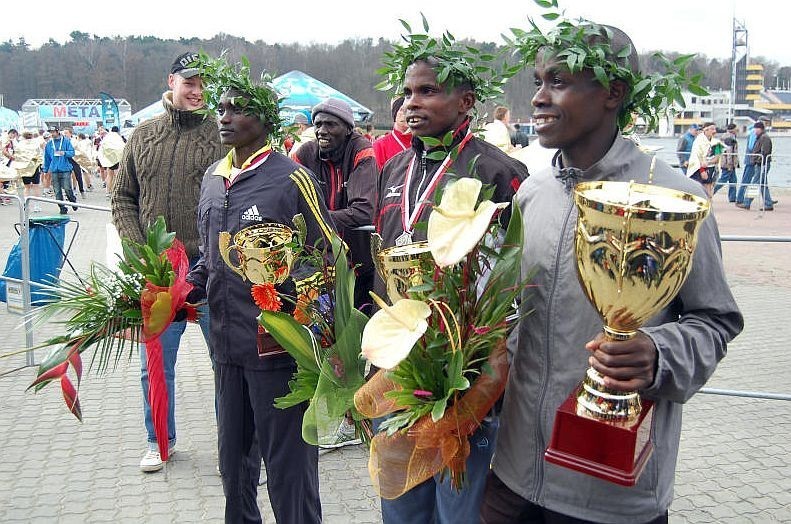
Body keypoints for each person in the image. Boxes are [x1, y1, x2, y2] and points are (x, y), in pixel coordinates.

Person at [481, 23, 743, 524]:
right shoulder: (530, 195)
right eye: (538, 80)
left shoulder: (673, 200)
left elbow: (716, 322)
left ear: (613, 93)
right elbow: (504, 314)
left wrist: (658, 355)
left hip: (608, 496)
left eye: (558, 81)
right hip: (512, 479)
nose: (538, 97)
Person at [374, 55, 528, 524]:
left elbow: (514, 277)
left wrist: (487, 363)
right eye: (408, 91)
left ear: (466, 102)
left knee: (458, 513)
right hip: (401, 374)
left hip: (468, 379)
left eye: (428, 91)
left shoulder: (499, 171)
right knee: (400, 508)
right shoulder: (395, 168)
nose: (411, 102)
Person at [187, 71, 331, 523]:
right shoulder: (213, 177)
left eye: (238, 109)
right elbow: (208, 258)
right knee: (234, 468)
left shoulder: (293, 179)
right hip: (226, 348)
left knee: (289, 473)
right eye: (221, 108)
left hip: (277, 353)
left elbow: (326, 259)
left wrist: (299, 313)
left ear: (266, 120)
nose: (224, 117)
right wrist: (177, 292)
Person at [111, 51, 224, 473]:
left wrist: (215, 256)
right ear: (172, 81)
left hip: (208, 271)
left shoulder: (220, 136)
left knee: (226, 365)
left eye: (203, 85)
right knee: (155, 366)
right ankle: (160, 440)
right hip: (158, 273)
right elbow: (122, 197)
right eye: (189, 82)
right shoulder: (143, 135)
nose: (197, 92)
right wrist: (140, 252)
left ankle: (233, 446)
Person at [292, 97, 378, 312]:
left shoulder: (361, 151)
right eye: (318, 124)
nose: (322, 130)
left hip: (356, 263)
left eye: (331, 124)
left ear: (348, 129)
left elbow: (363, 211)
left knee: (356, 333)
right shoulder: (304, 154)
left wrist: (314, 218)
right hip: (315, 263)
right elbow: (289, 203)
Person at [736, 120, 774, 210]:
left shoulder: (764, 138)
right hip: (760, 163)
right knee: (762, 184)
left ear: (761, 129)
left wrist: (757, 160)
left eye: (757, 129)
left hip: (762, 164)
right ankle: (768, 204)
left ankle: (747, 202)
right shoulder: (760, 137)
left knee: (755, 184)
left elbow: (765, 152)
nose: (755, 130)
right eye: (755, 128)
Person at [42, 126, 77, 215]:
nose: (52, 134)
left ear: (57, 132)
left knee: (67, 188)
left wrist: (64, 153)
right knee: (57, 191)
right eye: (51, 132)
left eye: (53, 132)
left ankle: (72, 200)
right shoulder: (49, 144)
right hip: (54, 170)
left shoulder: (65, 141)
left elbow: (72, 152)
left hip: (65, 168)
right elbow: (47, 158)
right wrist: (46, 169)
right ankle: (62, 207)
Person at [372, 96, 411, 171]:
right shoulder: (380, 145)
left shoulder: (421, 143)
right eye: (402, 110)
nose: (406, 114)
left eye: (410, 110)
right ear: (395, 114)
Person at [685, 121, 718, 196]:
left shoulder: (715, 142)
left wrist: (710, 162)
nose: (714, 131)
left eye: (715, 129)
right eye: (712, 129)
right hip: (698, 169)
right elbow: (697, 156)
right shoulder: (699, 141)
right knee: (698, 188)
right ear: (706, 130)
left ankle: (708, 204)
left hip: (710, 167)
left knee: (708, 188)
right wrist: (702, 170)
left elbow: (717, 156)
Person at [713, 123, 739, 202]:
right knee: (723, 180)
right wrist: (730, 164)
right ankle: (711, 192)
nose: (737, 130)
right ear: (733, 129)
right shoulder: (729, 138)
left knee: (733, 180)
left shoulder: (727, 136)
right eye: (736, 128)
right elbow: (729, 152)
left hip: (728, 162)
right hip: (728, 163)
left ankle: (732, 197)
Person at [99, 126, 126, 197]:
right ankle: (118, 190)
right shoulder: (118, 137)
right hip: (117, 158)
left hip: (109, 158)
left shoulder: (108, 137)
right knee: (118, 175)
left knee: (109, 175)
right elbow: (122, 147)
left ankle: (108, 191)